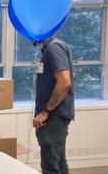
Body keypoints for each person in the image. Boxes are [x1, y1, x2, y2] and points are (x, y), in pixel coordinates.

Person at [33, 36, 75, 174]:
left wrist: (45, 111)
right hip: (54, 116)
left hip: (53, 117)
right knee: (59, 162)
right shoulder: (50, 48)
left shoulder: (53, 48)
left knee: (50, 167)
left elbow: (64, 82)